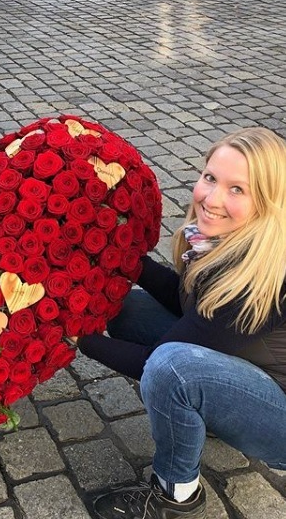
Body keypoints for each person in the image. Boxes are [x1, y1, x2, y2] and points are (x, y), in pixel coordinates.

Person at [79, 127, 286, 519]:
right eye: (210, 178)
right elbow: (189, 304)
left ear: (268, 201)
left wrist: (78, 337)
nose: (212, 198)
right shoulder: (225, 239)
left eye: (237, 189)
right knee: (127, 308)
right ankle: (204, 412)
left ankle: (175, 496)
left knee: (172, 368)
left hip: (281, 416)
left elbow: (157, 360)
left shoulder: (267, 273)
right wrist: (123, 259)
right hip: (249, 369)